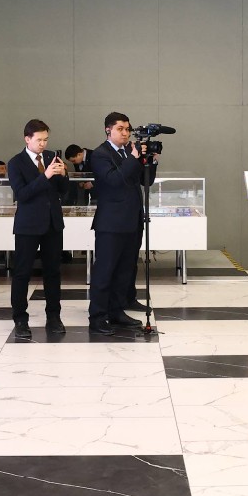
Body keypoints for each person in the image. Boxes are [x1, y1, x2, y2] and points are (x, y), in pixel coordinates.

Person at [5, 119, 70, 339]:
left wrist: (63, 174)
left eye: (46, 139)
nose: (43, 144)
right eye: (39, 140)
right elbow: (22, 194)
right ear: (27, 139)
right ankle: (20, 319)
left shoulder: (52, 157)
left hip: (53, 223)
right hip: (28, 225)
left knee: (53, 272)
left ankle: (54, 317)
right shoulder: (16, 163)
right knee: (22, 273)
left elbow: (63, 191)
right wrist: (46, 176)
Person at [87, 112, 149, 336]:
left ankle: (116, 311)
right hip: (111, 223)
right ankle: (97, 317)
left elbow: (146, 181)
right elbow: (114, 180)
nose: (125, 133)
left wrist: (151, 160)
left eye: (127, 129)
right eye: (120, 129)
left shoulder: (128, 152)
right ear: (108, 130)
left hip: (133, 220)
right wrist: (133, 157)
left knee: (124, 270)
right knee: (105, 271)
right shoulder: (100, 154)